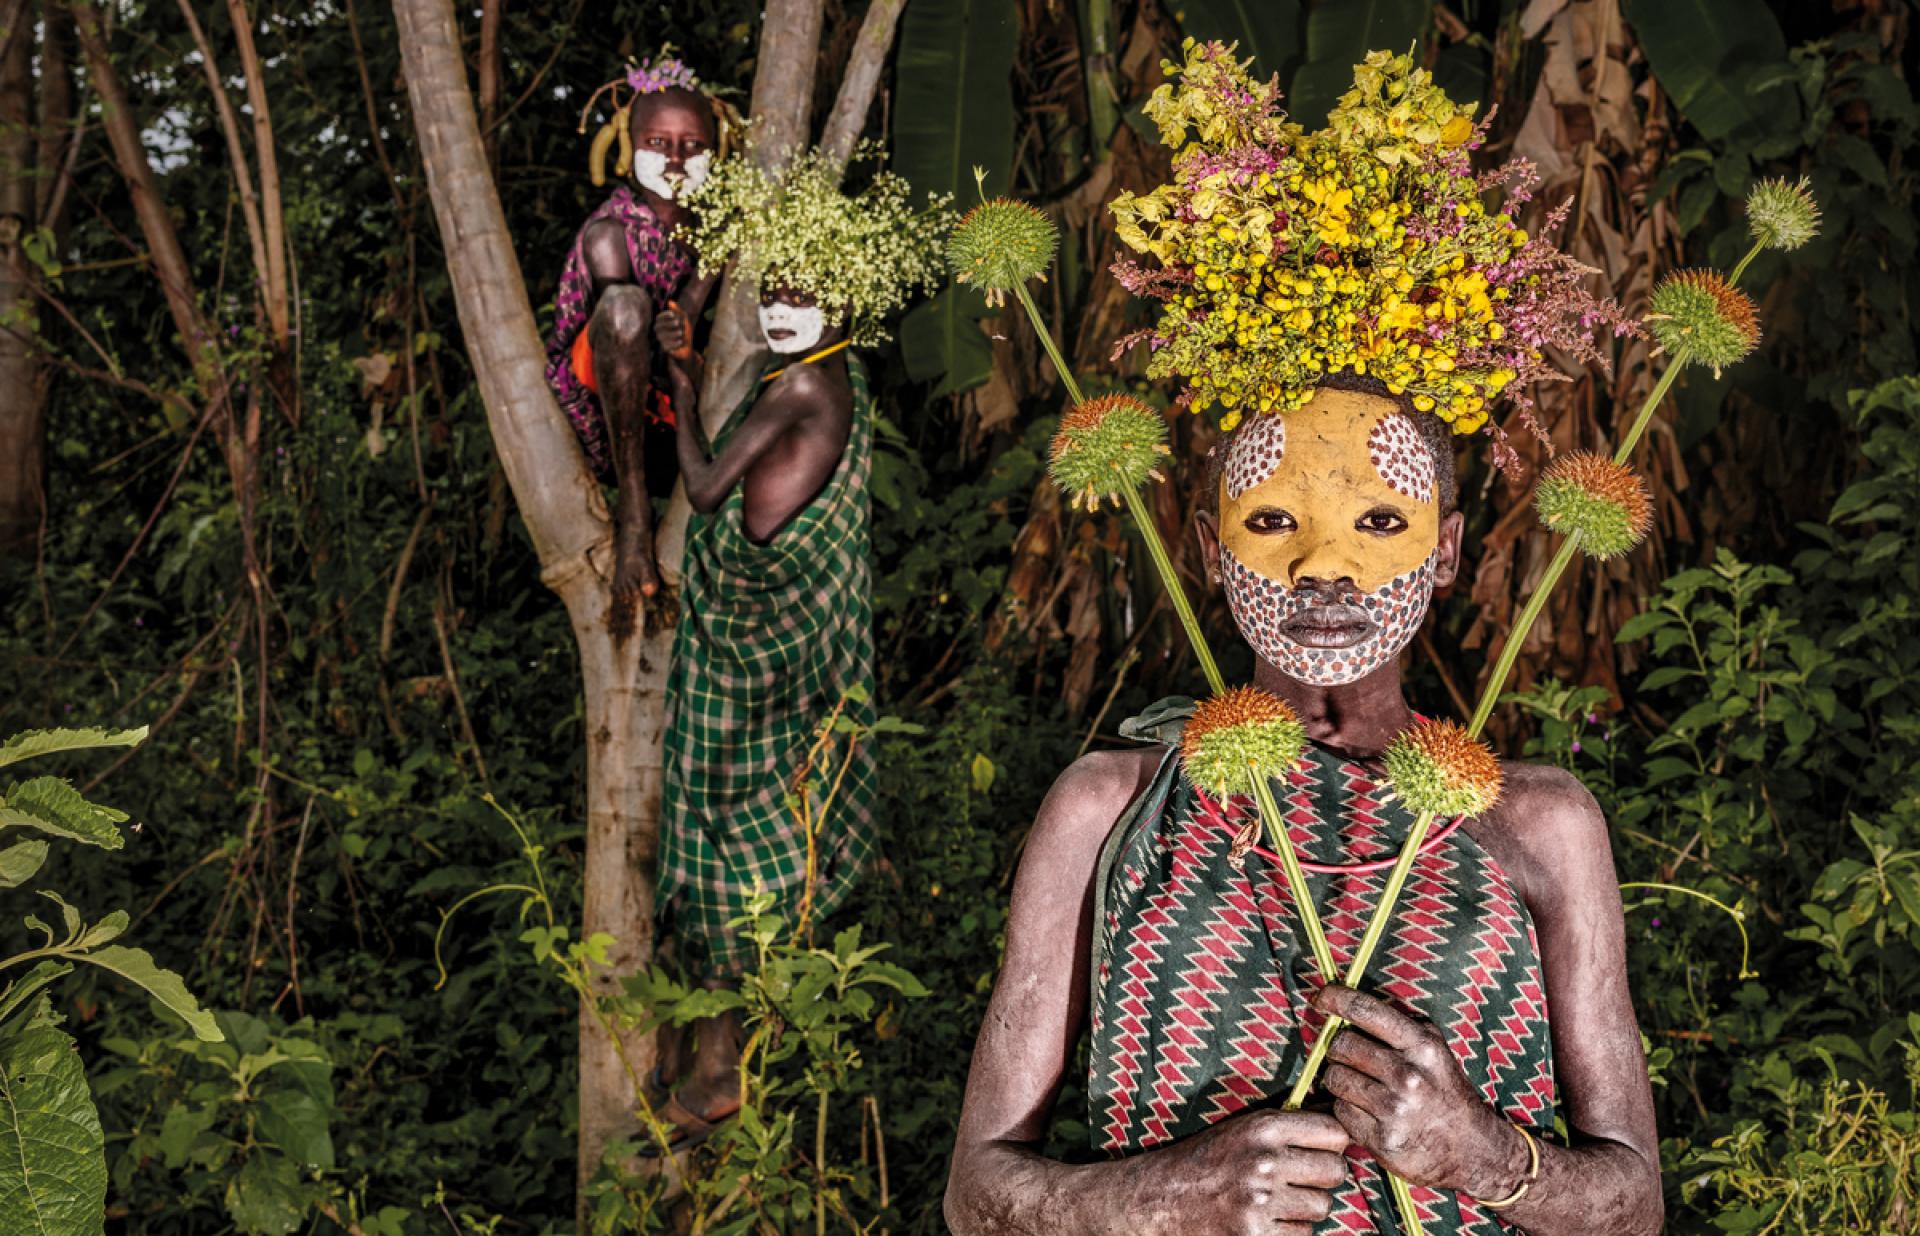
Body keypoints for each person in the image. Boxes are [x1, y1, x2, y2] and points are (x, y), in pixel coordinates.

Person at [945, 44, 1661, 1236]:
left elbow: (1634, 1206)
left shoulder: (1539, 823)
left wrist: (1480, 1155)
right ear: (1211, 551)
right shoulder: (1106, 808)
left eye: (1380, 522)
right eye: (1273, 521)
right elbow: (977, 1198)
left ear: (1445, 550)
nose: (1324, 568)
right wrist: (1164, 1194)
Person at [645, 146, 949, 1149]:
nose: (781, 306)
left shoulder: (797, 392)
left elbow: (699, 490)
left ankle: (719, 1072)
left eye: (804, 292)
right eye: (772, 289)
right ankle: (716, 1057)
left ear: (845, 299)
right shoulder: (832, 374)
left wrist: (682, 379)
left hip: (759, 654)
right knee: (747, 853)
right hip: (775, 648)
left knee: (736, 862)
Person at [543, 54, 724, 625]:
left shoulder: (718, 227)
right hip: (609, 399)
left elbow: (692, 313)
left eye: (692, 145)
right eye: (659, 141)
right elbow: (624, 329)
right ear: (633, 147)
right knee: (626, 306)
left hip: (676, 392)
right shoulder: (609, 232)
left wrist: (689, 314)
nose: (675, 158)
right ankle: (635, 517)